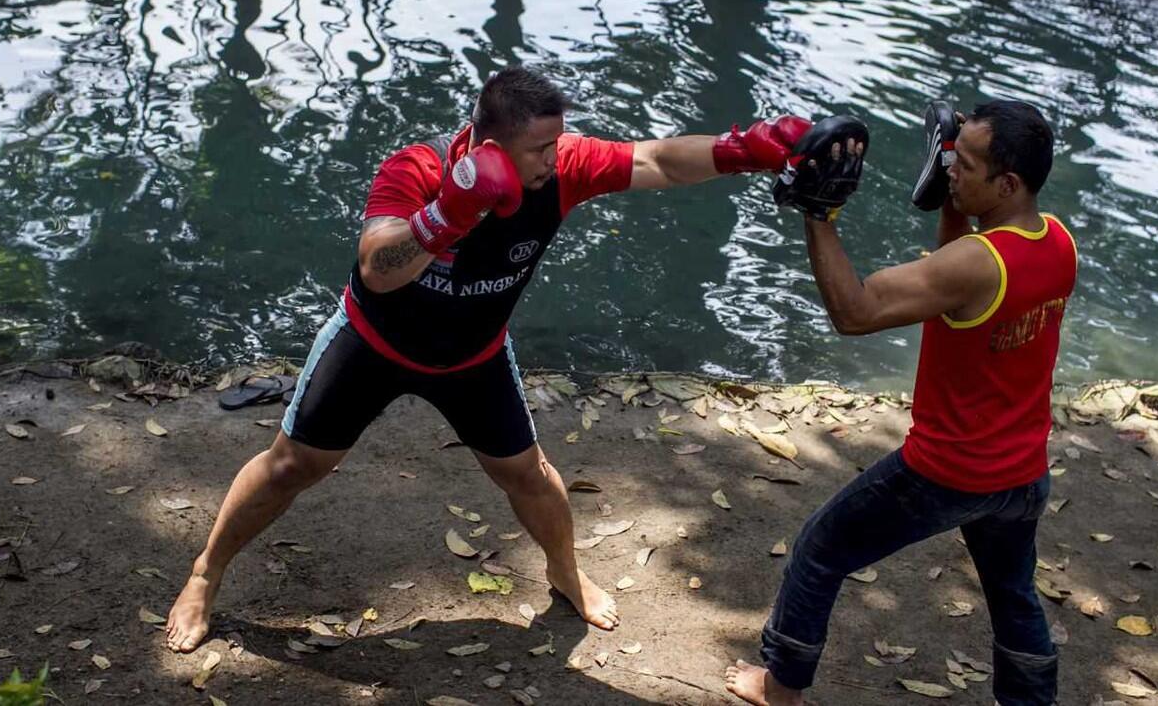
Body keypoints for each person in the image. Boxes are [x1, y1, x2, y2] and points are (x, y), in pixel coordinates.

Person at [165, 65, 855, 652]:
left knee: (526, 473)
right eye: (538, 150)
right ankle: (204, 574)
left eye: (558, 145)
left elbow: (657, 160)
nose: (555, 160)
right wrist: (449, 215)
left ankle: (565, 570)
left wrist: (747, 150)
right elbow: (378, 268)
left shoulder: (564, 164)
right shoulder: (419, 167)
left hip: (473, 354)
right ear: (487, 142)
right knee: (294, 464)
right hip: (373, 343)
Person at [726, 99, 1076, 706]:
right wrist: (951, 200)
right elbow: (959, 276)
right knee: (1013, 594)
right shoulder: (1058, 244)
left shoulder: (973, 265)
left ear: (1008, 182)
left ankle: (778, 689)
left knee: (818, 551)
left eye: (962, 165)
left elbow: (854, 311)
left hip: (949, 472)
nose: (948, 169)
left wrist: (820, 214)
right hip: (1022, 474)